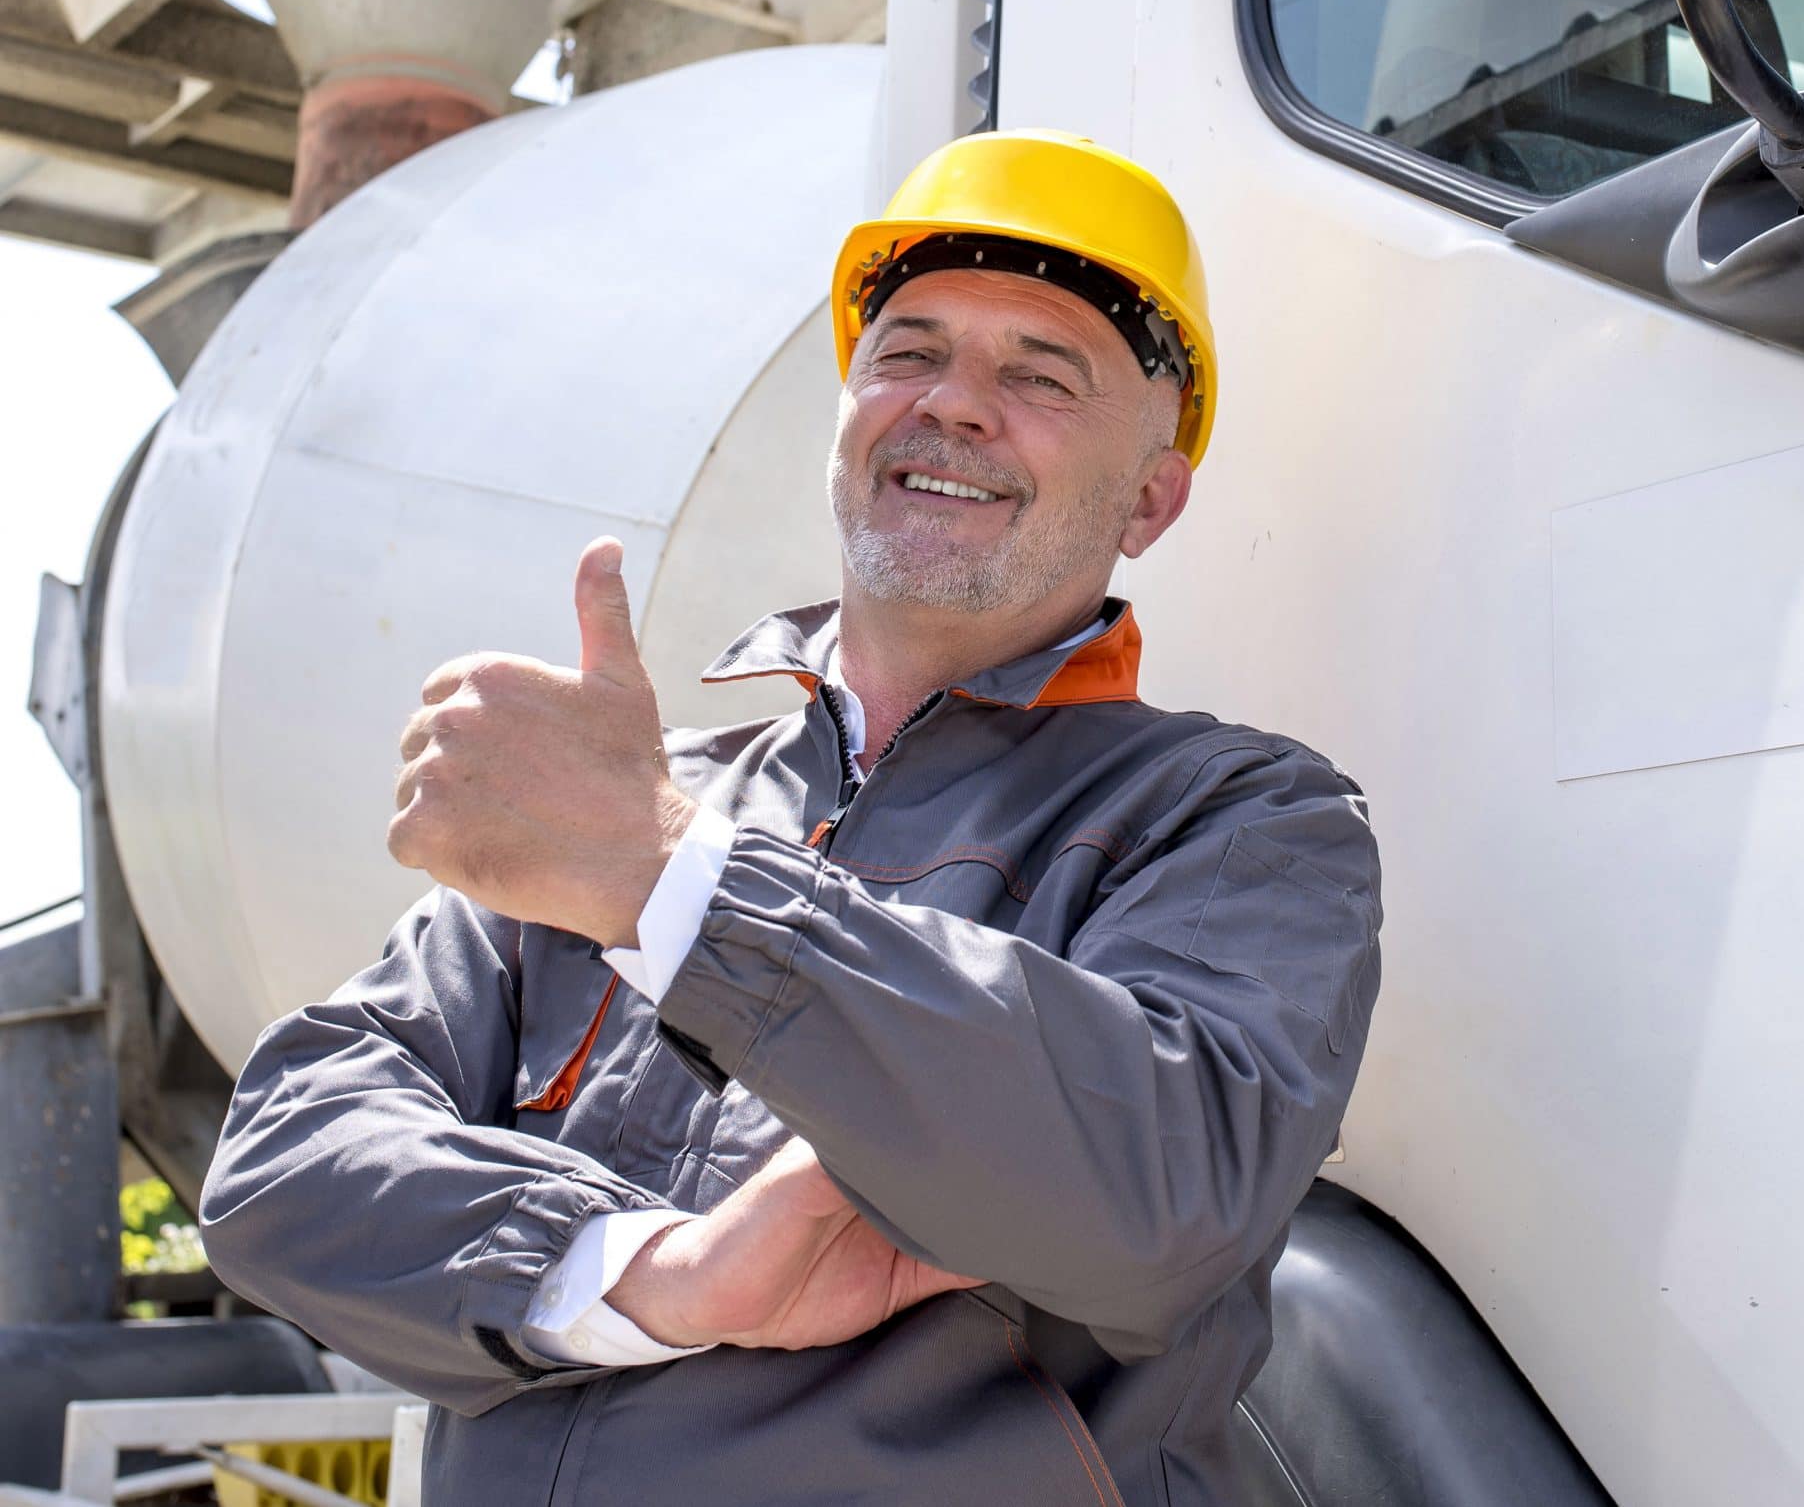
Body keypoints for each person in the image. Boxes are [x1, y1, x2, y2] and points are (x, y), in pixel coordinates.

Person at [200, 129, 1385, 1505]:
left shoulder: (1239, 824)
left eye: (1039, 372)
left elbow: (1162, 1193)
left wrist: (678, 888)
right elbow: (284, 1152)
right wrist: (642, 1276)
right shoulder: (642, 800)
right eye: (908, 350)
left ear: (1153, 495)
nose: (953, 402)